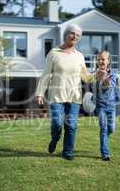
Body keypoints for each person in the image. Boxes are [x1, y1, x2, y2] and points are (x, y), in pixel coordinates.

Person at [35, 24, 94, 160]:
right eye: (72, 33)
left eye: (78, 35)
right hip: (57, 96)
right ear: (66, 34)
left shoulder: (79, 56)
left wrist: (97, 76)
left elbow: (85, 77)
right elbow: (46, 75)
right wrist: (40, 93)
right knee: (57, 124)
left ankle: (68, 152)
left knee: (71, 125)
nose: (75, 37)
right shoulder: (54, 53)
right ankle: (55, 139)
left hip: (74, 96)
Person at [94, 50, 118, 161]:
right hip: (101, 107)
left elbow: (109, 85)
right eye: (98, 59)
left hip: (111, 106)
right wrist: (99, 75)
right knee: (103, 129)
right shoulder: (95, 74)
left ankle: (104, 138)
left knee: (111, 129)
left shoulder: (113, 74)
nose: (100, 61)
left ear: (108, 61)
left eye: (103, 59)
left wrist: (105, 76)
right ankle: (105, 154)